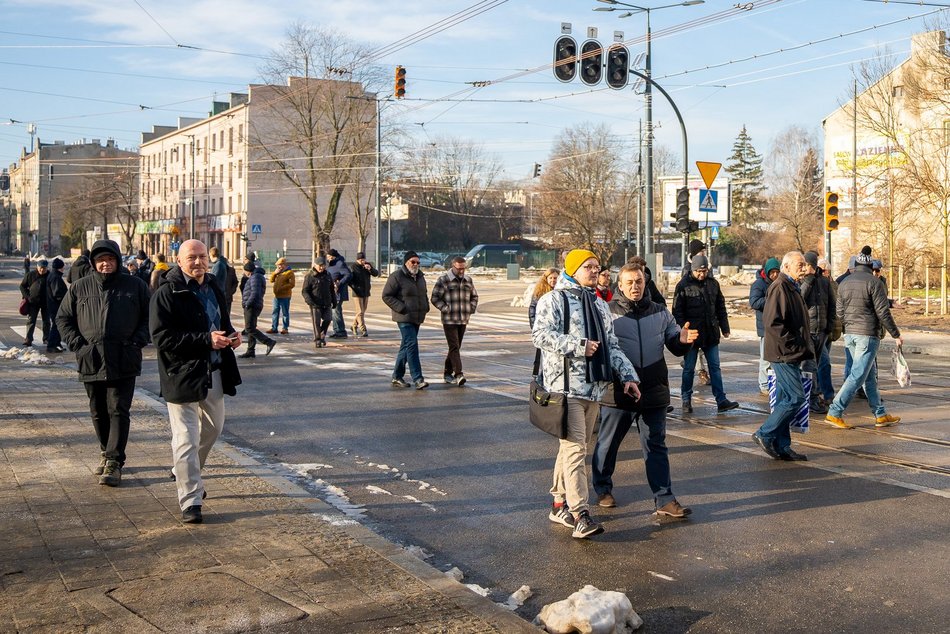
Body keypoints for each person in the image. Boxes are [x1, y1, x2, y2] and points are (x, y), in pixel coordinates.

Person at [533, 249, 640, 539]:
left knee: (569, 448)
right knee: (576, 450)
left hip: (595, 387)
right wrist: (579, 345)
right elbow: (540, 335)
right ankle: (580, 513)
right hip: (564, 389)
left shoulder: (599, 304)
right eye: (588, 266)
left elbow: (612, 345)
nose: (595, 271)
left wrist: (628, 376)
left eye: (597, 266)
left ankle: (558, 503)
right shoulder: (553, 299)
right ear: (572, 269)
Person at [150, 239, 242, 524]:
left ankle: (184, 471)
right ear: (179, 260)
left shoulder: (213, 285)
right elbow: (161, 338)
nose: (199, 262)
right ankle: (190, 499)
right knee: (186, 439)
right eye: (192, 257)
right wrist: (205, 340)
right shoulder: (167, 292)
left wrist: (231, 335)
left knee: (214, 430)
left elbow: (220, 321)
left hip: (213, 370)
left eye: (203, 257)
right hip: (181, 374)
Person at [592, 262, 696, 515]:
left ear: (645, 283)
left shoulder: (660, 312)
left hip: (653, 390)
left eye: (639, 281)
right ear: (620, 285)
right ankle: (603, 488)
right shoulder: (607, 311)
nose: (635, 287)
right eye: (629, 283)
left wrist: (682, 341)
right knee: (608, 443)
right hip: (619, 391)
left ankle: (665, 499)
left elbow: (674, 342)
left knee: (656, 445)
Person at [56, 239, 150, 486]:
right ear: (93, 263)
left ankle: (115, 461)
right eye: (101, 260)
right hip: (91, 357)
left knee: (118, 409)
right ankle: (105, 452)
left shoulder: (135, 286)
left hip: (124, 357)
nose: (105, 264)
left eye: (110, 259)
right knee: (98, 410)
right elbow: (63, 319)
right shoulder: (79, 287)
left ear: (118, 261)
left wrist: (136, 342)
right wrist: (77, 344)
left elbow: (149, 318)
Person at [825, 250, 903, 430]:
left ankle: (880, 414)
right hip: (867, 334)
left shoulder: (844, 283)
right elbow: (883, 312)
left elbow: (839, 312)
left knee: (869, 377)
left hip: (850, 334)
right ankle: (835, 411)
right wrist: (896, 334)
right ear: (870, 266)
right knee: (858, 375)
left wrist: (848, 325)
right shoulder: (874, 283)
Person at [751, 251, 812, 461]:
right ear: (786, 267)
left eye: (804, 264)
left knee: (785, 400)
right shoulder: (779, 287)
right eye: (799, 265)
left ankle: (782, 445)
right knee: (796, 398)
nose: (803, 268)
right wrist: (793, 344)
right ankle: (765, 433)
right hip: (783, 353)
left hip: (790, 353)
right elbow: (773, 324)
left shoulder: (792, 286)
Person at [672, 254, 738, 414]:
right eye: (699, 271)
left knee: (715, 367)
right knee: (689, 369)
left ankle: (721, 400)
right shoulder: (683, 285)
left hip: (710, 334)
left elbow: (720, 307)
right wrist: (682, 330)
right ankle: (686, 399)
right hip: (692, 336)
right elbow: (677, 311)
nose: (702, 274)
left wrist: (725, 327)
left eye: (704, 270)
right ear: (693, 270)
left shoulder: (713, 284)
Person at [382, 251, 430, 389]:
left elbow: (423, 294)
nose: (416, 265)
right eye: (413, 262)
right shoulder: (396, 276)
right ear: (406, 262)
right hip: (404, 317)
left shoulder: (420, 277)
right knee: (412, 345)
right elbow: (386, 296)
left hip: (417, 317)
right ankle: (418, 378)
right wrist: (402, 308)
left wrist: (425, 307)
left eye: (418, 262)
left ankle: (397, 376)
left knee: (406, 346)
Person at [430, 256, 479, 386]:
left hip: (463, 319)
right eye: (459, 269)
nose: (462, 271)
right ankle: (459, 374)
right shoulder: (444, 280)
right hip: (449, 320)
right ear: (453, 266)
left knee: (455, 347)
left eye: (464, 268)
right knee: (454, 346)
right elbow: (435, 298)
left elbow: (474, 296)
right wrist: (445, 308)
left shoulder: (468, 280)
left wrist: (471, 308)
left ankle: (447, 372)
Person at [800, 251, 836, 413]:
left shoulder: (824, 282)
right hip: (808, 330)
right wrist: (808, 279)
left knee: (818, 364)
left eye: (807, 265)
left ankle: (814, 396)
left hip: (822, 330)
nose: (806, 268)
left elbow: (831, 305)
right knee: (810, 366)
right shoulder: (802, 281)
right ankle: (811, 398)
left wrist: (829, 326)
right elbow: (800, 298)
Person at [749, 257, 780, 395]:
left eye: (776, 272)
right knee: (765, 359)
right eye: (772, 272)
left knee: (776, 358)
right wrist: (771, 300)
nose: (774, 275)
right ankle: (764, 385)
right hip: (766, 327)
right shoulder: (759, 284)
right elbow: (754, 302)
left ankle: (774, 382)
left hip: (778, 326)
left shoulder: (780, 283)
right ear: (767, 272)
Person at [238, 260, 276, 358]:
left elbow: (255, 292)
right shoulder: (256, 276)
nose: (244, 273)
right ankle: (251, 350)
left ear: (248, 271)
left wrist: (247, 304)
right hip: (254, 305)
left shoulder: (255, 277)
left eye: (245, 271)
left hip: (252, 306)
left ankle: (268, 342)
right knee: (251, 327)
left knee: (249, 328)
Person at [302, 256, 336, 349]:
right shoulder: (310, 276)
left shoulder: (328, 275)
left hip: (327, 302)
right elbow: (305, 291)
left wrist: (334, 300)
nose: (322, 268)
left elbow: (332, 289)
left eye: (323, 265)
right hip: (315, 304)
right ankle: (318, 340)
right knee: (316, 323)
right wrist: (309, 301)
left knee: (328, 319)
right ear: (315, 265)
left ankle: (322, 334)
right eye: (320, 266)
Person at [20, 259, 50, 347]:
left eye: (44, 268)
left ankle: (46, 339)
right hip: (33, 302)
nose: (42, 270)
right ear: (37, 267)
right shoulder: (30, 275)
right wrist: (27, 297)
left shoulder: (50, 275)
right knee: (31, 321)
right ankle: (28, 339)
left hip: (46, 303)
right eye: (40, 268)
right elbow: (22, 286)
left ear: (47, 268)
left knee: (46, 321)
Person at [348, 251, 379, 337]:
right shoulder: (353, 267)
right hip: (357, 293)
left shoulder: (367, 265)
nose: (363, 261)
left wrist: (370, 269)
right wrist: (354, 287)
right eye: (361, 260)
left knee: (362, 311)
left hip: (366, 292)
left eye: (364, 259)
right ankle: (363, 329)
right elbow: (349, 280)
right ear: (357, 260)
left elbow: (376, 274)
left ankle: (354, 326)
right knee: (360, 311)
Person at [326, 249, 352, 338]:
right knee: (334, 312)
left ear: (333, 256)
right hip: (331, 291)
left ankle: (341, 331)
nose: (328, 258)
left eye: (329, 257)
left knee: (336, 311)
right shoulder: (332, 264)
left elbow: (348, 274)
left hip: (338, 292)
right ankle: (337, 330)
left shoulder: (340, 264)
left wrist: (339, 283)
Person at [267, 257, 295, 335]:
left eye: (280, 265)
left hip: (285, 296)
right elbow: (271, 280)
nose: (278, 266)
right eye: (277, 265)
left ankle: (285, 328)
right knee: (275, 312)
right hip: (276, 296)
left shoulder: (289, 273)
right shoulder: (278, 272)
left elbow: (292, 284)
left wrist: (282, 288)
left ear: (284, 265)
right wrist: (274, 273)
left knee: (285, 312)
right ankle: (274, 327)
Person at [45, 258, 68, 353]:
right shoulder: (55, 277)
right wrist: (64, 301)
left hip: (53, 305)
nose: (63, 269)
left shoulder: (53, 275)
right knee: (56, 325)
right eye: (63, 267)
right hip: (56, 306)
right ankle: (51, 345)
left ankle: (57, 343)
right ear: (60, 268)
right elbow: (57, 293)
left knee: (58, 325)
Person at [209, 246, 238, 314]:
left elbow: (213, 280)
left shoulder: (218, 265)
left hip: (220, 295)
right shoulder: (221, 264)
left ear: (212, 255)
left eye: (209, 255)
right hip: (224, 295)